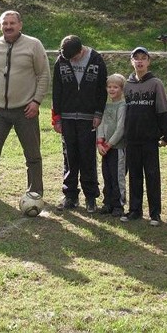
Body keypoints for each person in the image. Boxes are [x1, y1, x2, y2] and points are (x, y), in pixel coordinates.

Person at [0, 10, 50, 211]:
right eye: (5, 23)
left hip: (26, 110)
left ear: (20, 25)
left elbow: (44, 75)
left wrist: (37, 102)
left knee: (32, 155)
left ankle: (35, 195)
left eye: (12, 23)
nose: (8, 26)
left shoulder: (34, 45)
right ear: (0, 26)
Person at [52, 35, 108, 213]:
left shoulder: (96, 60)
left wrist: (98, 112)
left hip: (88, 117)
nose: (72, 61)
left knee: (87, 157)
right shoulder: (61, 60)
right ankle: (70, 195)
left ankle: (91, 197)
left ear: (81, 50)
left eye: (75, 58)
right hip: (67, 117)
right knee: (69, 156)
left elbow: (102, 89)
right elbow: (57, 90)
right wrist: (57, 117)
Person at [120, 47, 167, 226]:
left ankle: (155, 213)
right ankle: (135, 210)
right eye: (136, 58)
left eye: (143, 58)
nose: (140, 61)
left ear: (148, 62)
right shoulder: (126, 85)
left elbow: (163, 109)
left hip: (150, 139)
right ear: (132, 62)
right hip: (131, 138)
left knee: (152, 175)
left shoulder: (155, 83)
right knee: (134, 175)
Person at [96, 73, 127, 217]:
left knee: (117, 176)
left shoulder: (123, 106)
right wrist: (100, 142)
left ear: (121, 89)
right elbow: (102, 124)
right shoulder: (107, 105)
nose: (112, 90)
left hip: (117, 148)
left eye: (115, 87)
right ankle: (107, 202)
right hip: (105, 149)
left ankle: (118, 204)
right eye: (109, 87)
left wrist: (109, 144)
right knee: (107, 175)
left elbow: (120, 128)